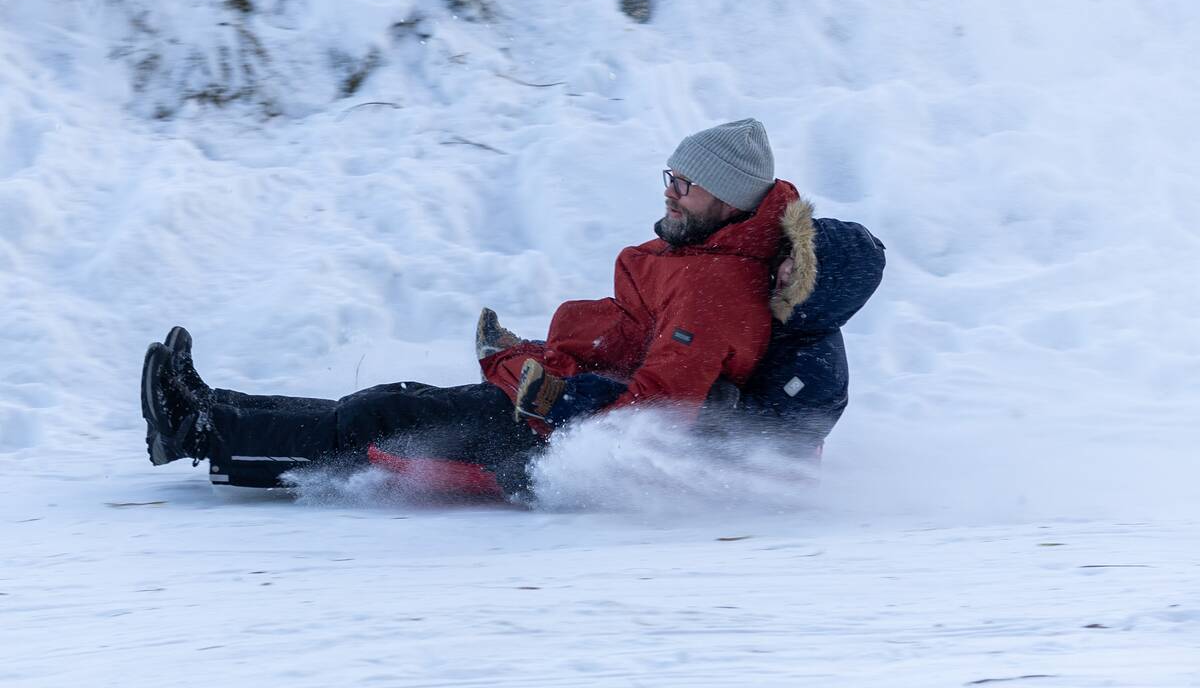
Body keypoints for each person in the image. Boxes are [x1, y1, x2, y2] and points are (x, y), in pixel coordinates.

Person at [142, 119, 883, 495]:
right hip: (551, 410)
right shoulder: (710, 257)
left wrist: (553, 396)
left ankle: (200, 433)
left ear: (724, 199)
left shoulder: (714, 291)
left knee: (378, 428)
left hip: (546, 452)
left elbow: (655, 415)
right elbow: (635, 346)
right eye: (670, 176)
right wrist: (542, 358)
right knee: (389, 405)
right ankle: (212, 413)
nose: (668, 191)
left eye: (682, 184)